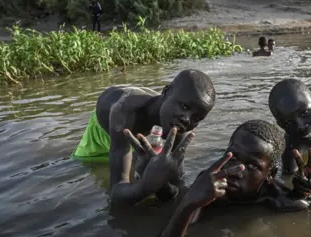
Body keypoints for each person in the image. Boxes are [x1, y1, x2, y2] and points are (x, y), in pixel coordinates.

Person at [125, 119, 311, 237]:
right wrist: (191, 203)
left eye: (252, 165)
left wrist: (303, 192)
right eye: (233, 156)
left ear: (270, 174)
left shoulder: (273, 194)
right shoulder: (210, 181)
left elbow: (304, 209)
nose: (238, 169)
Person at [70, 69, 216, 206]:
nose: (187, 120)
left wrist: (166, 185)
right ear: (166, 91)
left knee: (150, 165)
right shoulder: (126, 111)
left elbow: (176, 184)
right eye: (184, 107)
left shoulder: (178, 126)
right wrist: (144, 188)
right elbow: (115, 193)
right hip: (108, 129)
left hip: (146, 126)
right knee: (89, 167)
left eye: (196, 118)